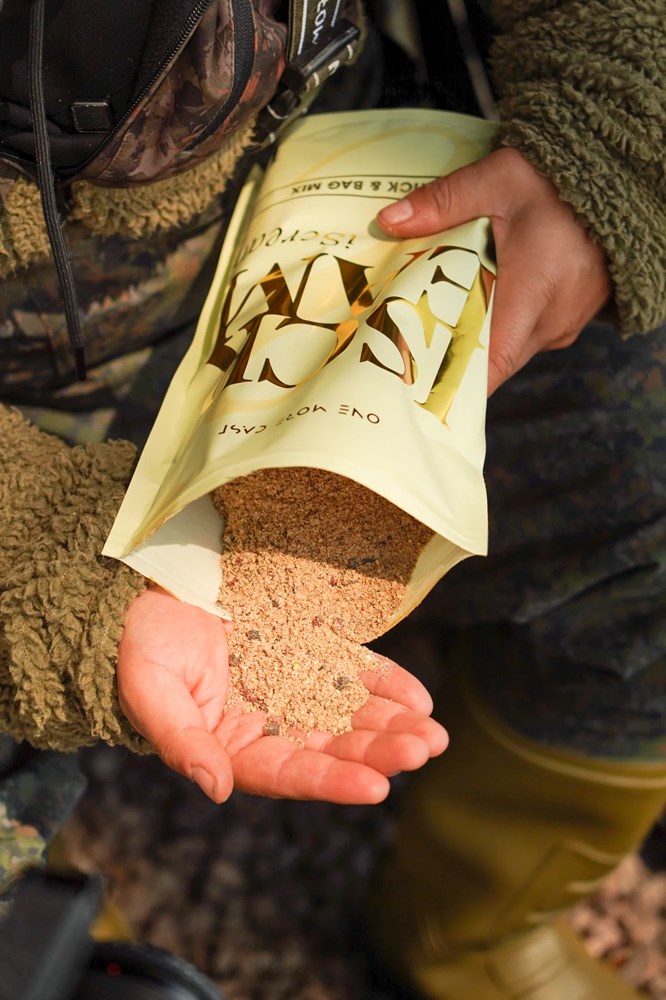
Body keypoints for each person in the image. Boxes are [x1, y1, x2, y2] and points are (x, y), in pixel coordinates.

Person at [0, 1, 663, 997]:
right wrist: (48, 561)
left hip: (335, 184)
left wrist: (605, 145)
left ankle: (468, 934)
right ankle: (47, 916)